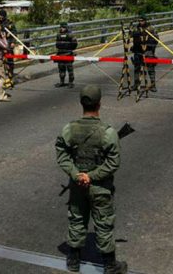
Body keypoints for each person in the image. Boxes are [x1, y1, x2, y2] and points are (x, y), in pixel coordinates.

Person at [55, 85, 127, 274]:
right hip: (100, 187)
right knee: (103, 223)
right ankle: (110, 266)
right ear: (99, 104)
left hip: (77, 185)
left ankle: (73, 261)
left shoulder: (69, 129)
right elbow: (113, 163)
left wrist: (76, 174)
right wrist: (91, 176)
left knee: (77, 219)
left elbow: (62, 154)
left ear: (81, 103)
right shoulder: (108, 132)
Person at [131, 14, 158, 92]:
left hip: (148, 51)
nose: (140, 22)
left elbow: (156, 40)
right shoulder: (136, 29)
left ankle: (153, 85)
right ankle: (136, 84)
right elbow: (131, 37)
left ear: (145, 20)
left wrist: (148, 43)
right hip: (138, 51)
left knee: (150, 69)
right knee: (137, 69)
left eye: (142, 20)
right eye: (139, 21)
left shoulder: (151, 29)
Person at [0, 10, 16, 89]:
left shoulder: (9, 23)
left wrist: (13, 42)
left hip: (8, 44)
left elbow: (14, 33)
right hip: (0, 45)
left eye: (0, 15)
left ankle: (11, 80)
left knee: (10, 63)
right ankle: (3, 81)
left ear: (3, 15)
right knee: (1, 63)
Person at [55, 22, 78, 88]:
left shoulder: (70, 34)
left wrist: (70, 50)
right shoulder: (58, 34)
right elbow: (57, 44)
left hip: (68, 54)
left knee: (69, 69)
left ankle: (70, 82)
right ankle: (62, 82)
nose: (62, 29)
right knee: (61, 69)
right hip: (60, 54)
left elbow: (74, 44)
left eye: (64, 27)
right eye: (61, 27)